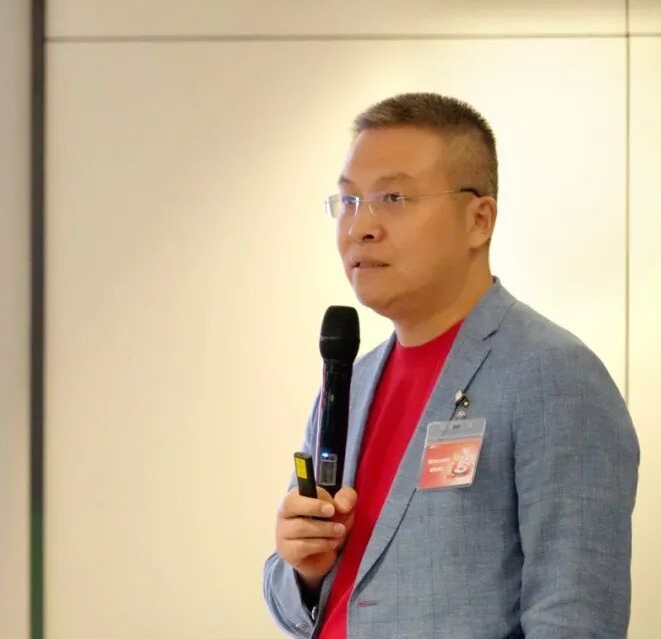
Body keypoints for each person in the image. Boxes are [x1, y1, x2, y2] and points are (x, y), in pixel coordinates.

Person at [262, 93, 638, 639]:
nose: (360, 226)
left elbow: (575, 615)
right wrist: (304, 569)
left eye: (393, 197)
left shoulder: (553, 375)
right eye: (349, 201)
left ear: (478, 219)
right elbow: (299, 604)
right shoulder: (351, 381)